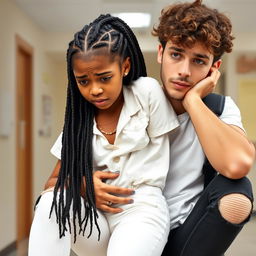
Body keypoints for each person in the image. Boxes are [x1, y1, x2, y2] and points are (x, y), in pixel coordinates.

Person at [75, 1, 254, 256]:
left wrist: (193, 102)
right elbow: (63, 172)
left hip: (187, 234)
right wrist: (85, 185)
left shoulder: (220, 107)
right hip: (127, 227)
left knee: (238, 189)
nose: (184, 71)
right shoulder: (126, 101)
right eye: (176, 54)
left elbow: (237, 165)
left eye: (199, 61)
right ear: (161, 53)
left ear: (213, 69)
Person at [28, 14, 180, 256]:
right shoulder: (78, 118)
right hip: (93, 217)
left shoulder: (146, 92)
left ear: (125, 67)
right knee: (49, 203)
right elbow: (52, 183)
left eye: (104, 78)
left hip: (140, 210)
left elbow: (178, 152)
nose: (95, 89)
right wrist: (83, 186)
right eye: (83, 81)